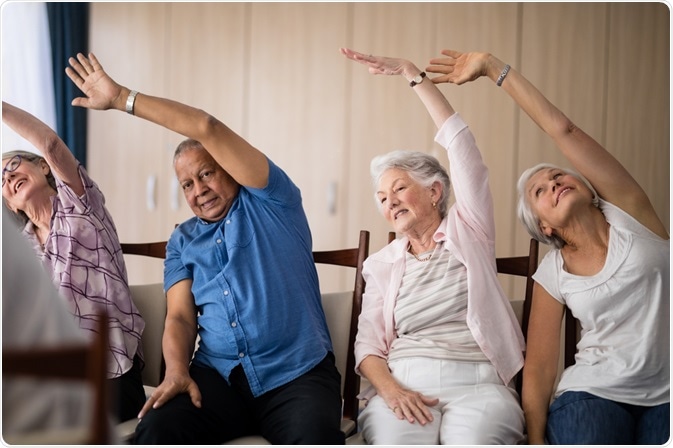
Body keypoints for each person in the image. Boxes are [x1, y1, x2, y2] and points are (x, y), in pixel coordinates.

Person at [65, 52, 345, 445]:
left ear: (229, 167)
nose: (199, 190)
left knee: (313, 437)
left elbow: (206, 126)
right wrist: (177, 371)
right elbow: (179, 317)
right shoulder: (182, 240)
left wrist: (122, 98)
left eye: (207, 173)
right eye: (187, 185)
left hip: (296, 377)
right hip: (218, 378)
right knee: (158, 430)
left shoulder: (273, 201)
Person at [426, 50, 670, 445]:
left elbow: (564, 131)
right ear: (543, 225)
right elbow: (539, 372)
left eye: (559, 175)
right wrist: (536, 439)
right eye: (540, 190)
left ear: (589, 189)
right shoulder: (551, 273)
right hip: (592, 395)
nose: (554, 182)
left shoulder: (632, 213)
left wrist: (492, 67)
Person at [340, 48, 525, 445]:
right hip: (405, 378)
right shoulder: (381, 264)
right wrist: (389, 390)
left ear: (435, 192)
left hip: (478, 380)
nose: (389, 202)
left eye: (399, 188)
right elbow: (368, 344)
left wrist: (413, 75)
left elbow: (462, 148)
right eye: (382, 198)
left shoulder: (469, 229)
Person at [1, 102, 146, 423]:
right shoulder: (19, 251)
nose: (9, 176)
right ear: (9, 205)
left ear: (43, 167)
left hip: (111, 375)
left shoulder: (79, 204)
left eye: (14, 165)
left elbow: (51, 144)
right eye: (2, 181)